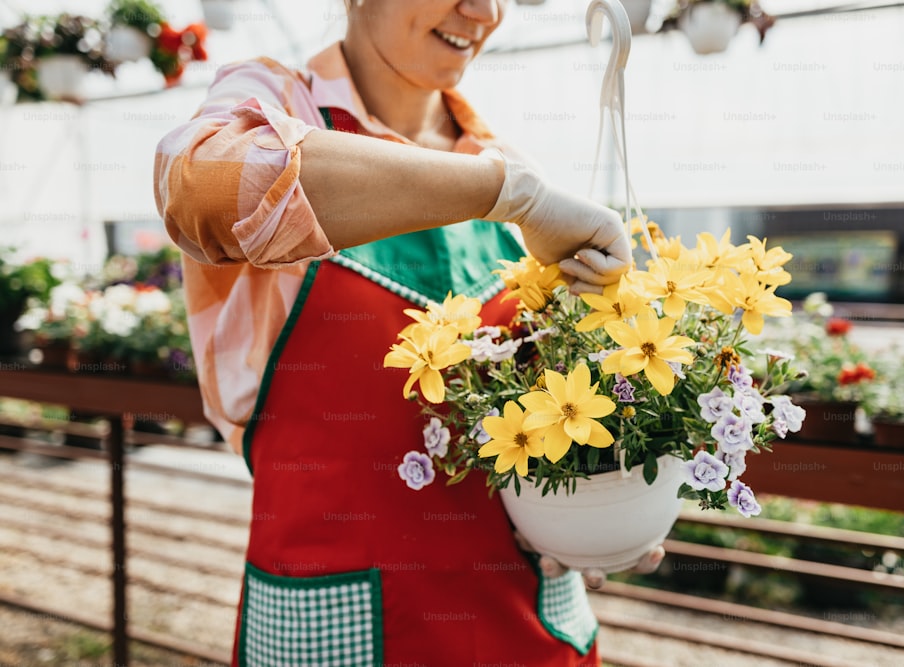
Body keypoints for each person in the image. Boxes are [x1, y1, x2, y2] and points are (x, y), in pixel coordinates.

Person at [154, 1, 642, 664]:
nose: (484, 11)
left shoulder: (503, 157)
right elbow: (202, 190)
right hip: (339, 628)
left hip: (524, 622)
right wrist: (505, 194)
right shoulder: (276, 103)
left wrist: (610, 504)